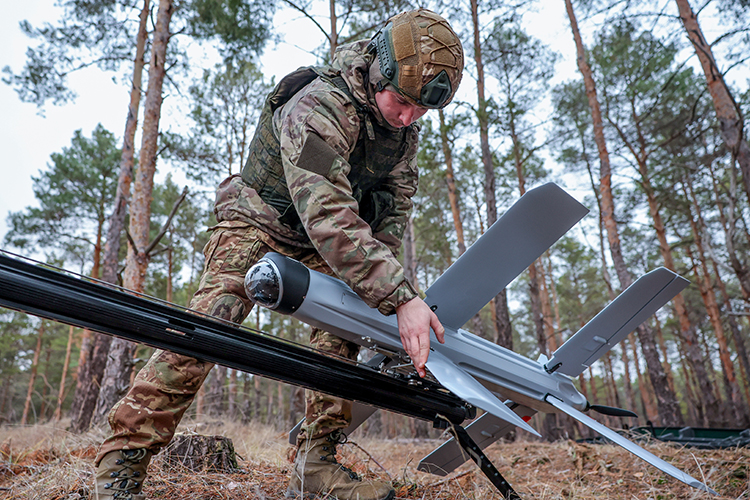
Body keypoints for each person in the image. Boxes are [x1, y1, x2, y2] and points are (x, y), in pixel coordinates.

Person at [94, 8, 463, 500]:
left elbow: (393, 208)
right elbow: (326, 208)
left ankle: (316, 468)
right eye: (402, 102)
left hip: (327, 243)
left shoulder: (402, 130)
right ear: (380, 71)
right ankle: (120, 463)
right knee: (205, 332)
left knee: (343, 339)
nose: (408, 117)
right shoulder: (318, 105)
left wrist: (378, 292)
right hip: (259, 225)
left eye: (420, 110)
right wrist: (397, 295)